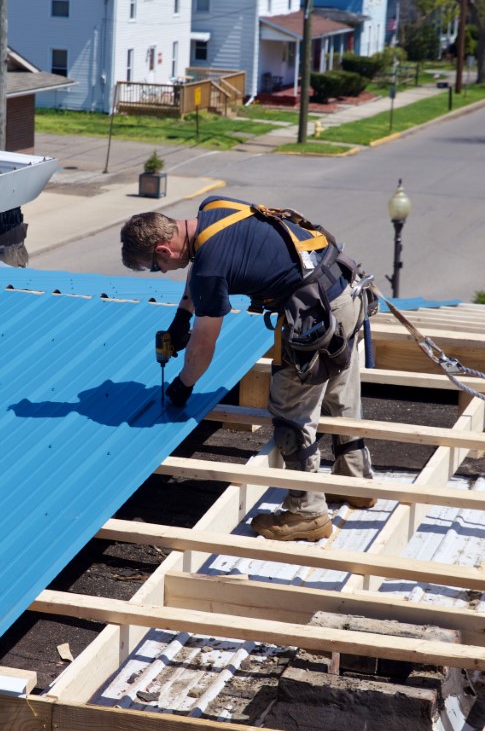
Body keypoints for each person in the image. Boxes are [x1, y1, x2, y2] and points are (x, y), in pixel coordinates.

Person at [120, 195, 375, 542]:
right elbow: (201, 263)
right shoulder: (212, 209)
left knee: (290, 409)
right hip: (346, 289)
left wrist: (182, 386)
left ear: (163, 250)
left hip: (319, 314)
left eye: (154, 267)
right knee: (339, 392)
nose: (160, 273)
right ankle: (355, 482)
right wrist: (183, 315)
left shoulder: (209, 268)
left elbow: (203, 346)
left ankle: (308, 512)